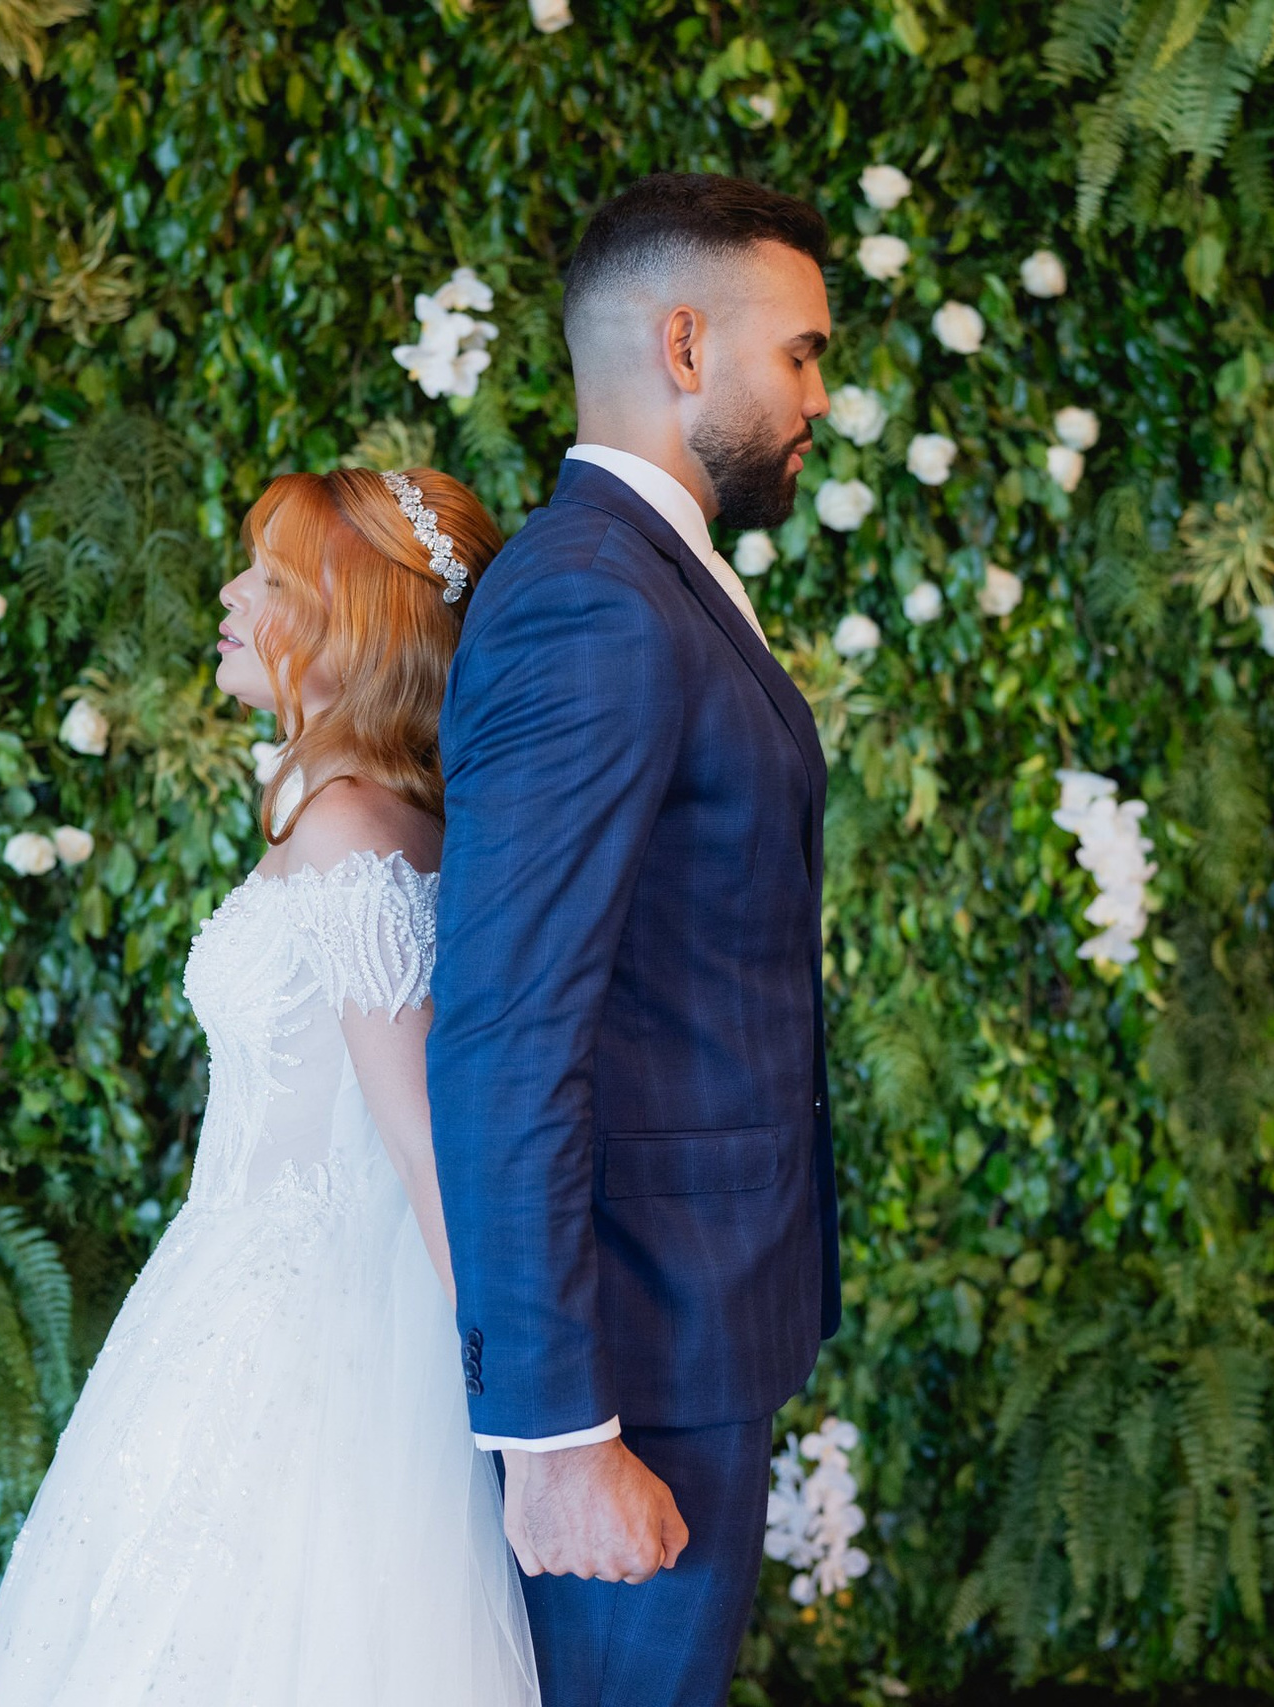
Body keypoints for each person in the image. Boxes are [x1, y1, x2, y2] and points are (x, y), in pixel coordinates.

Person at [0, 465, 540, 1706]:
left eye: (268, 579)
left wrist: (523, 1420)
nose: (228, 594)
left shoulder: (348, 828)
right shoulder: (355, 812)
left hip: (310, 1336)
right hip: (237, 1295)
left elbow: (431, 1148)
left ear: (355, 626)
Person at [429, 172, 839, 1707]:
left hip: (689, 1330)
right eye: (799, 351)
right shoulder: (594, 600)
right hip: (631, 1368)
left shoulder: (649, 577)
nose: (818, 394)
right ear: (684, 342)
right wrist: (556, 1434)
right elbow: (505, 1025)